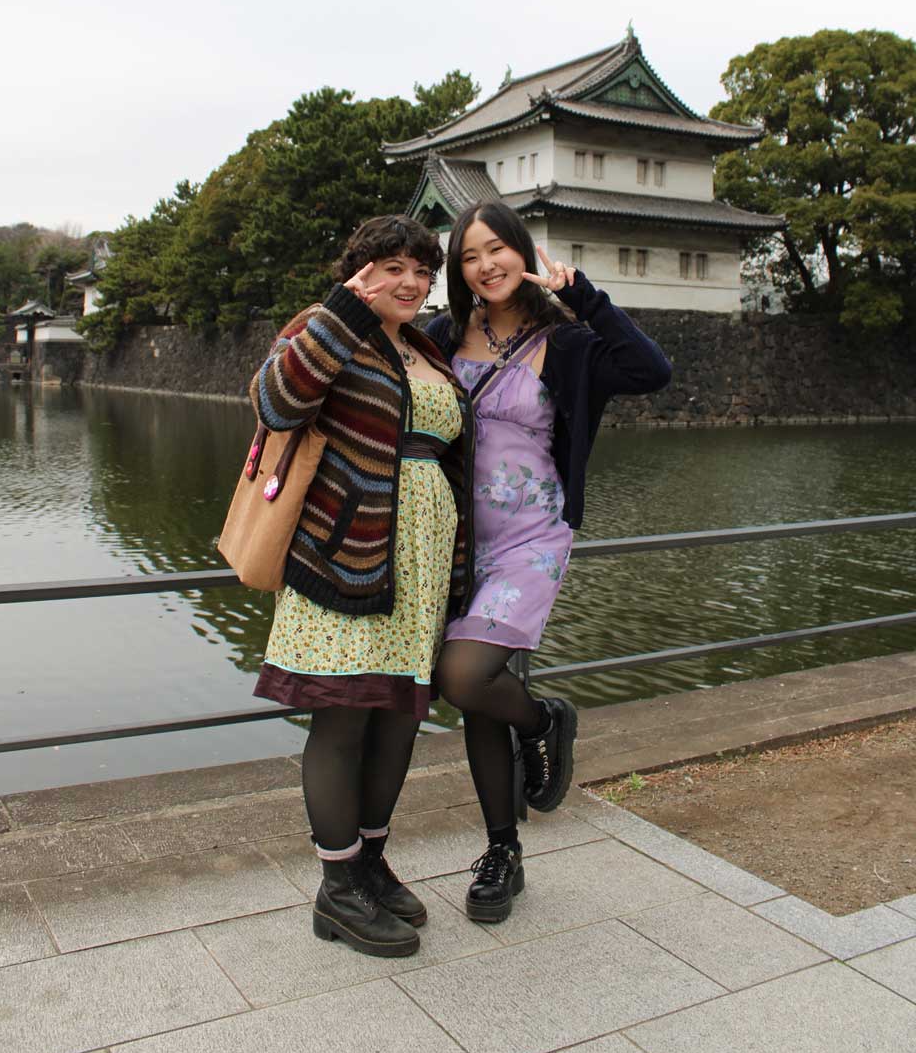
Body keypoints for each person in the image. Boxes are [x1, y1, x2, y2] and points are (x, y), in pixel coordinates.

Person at [424, 202, 671, 922]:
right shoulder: (441, 336)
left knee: (463, 675)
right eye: (470, 255)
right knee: (474, 696)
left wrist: (585, 295)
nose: (486, 265)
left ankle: (540, 721)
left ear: (523, 251)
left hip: (531, 538)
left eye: (497, 248)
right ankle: (503, 854)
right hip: (459, 543)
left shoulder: (565, 338)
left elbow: (650, 371)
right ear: (457, 269)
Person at [251, 215, 473, 958]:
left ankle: (371, 865)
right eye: (392, 267)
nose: (410, 282)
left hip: (420, 559)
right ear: (359, 271)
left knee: (398, 717)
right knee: (343, 718)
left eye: (422, 269)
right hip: (347, 554)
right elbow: (277, 404)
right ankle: (337, 888)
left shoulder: (422, 344)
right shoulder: (326, 326)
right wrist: (344, 312)